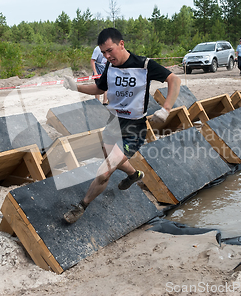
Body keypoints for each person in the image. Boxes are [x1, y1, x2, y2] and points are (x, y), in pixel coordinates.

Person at [62, 28, 181, 224]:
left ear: (121, 44)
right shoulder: (110, 67)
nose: (107, 56)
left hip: (134, 129)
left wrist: (166, 109)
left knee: (105, 170)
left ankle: (81, 206)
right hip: (114, 123)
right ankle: (134, 175)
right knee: (110, 157)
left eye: (110, 51)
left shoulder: (144, 64)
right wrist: (76, 87)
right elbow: (100, 88)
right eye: (103, 53)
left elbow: (174, 79)